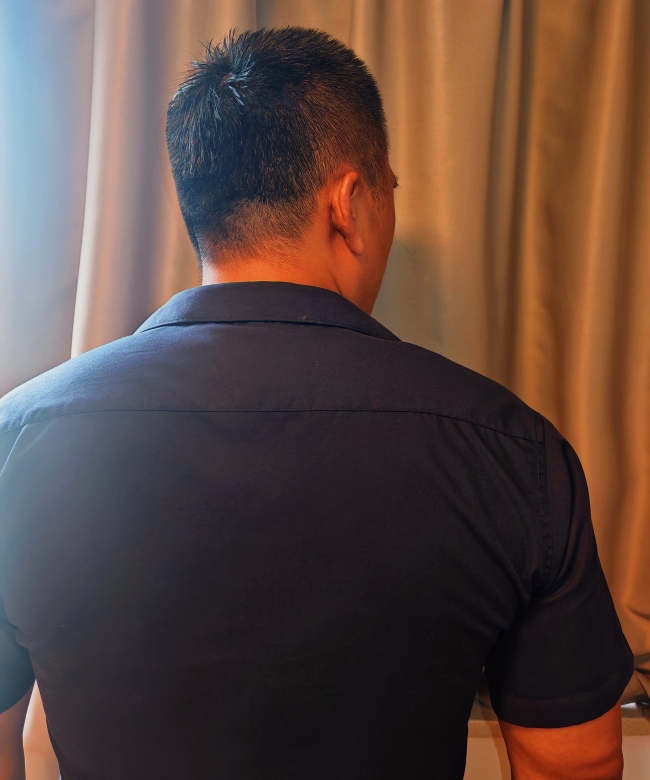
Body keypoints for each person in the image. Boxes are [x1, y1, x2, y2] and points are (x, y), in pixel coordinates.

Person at [0, 27, 634, 780]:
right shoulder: (513, 453)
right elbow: (574, 764)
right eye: (390, 190)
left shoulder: (20, 439)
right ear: (350, 204)